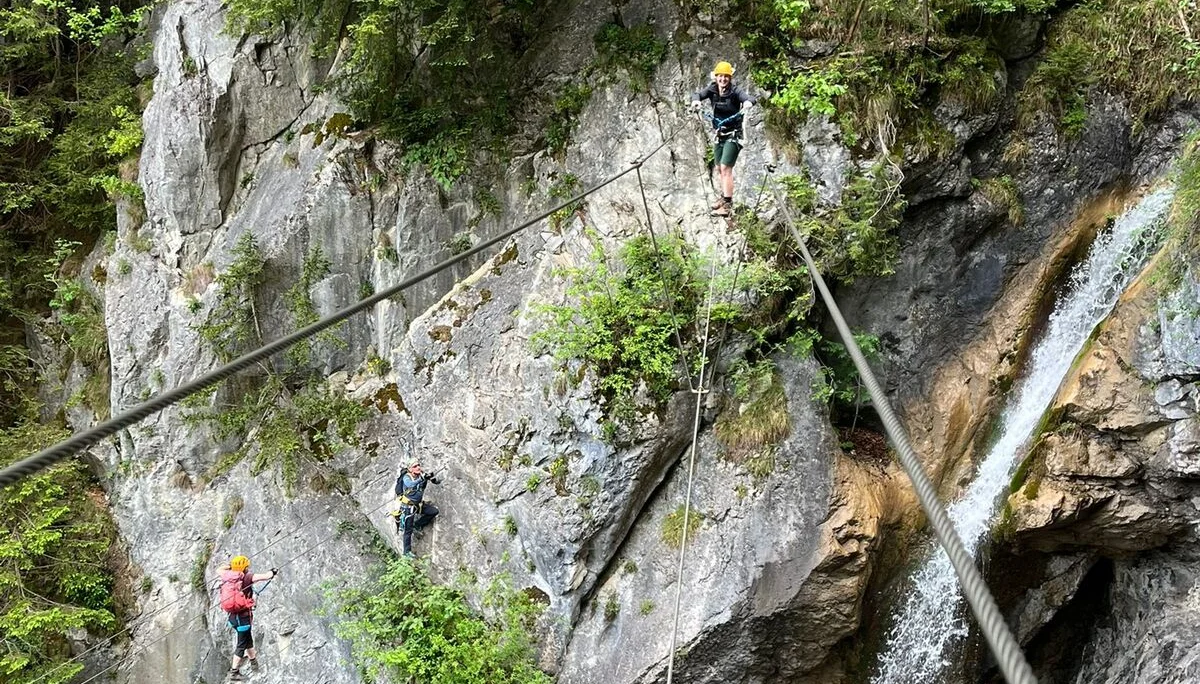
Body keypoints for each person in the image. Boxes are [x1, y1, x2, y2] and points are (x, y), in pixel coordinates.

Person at [690, 61, 757, 217]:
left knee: (726, 168)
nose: (723, 79)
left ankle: (727, 206)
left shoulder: (735, 91)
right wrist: (696, 101)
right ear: (716, 77)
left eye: (726, 76)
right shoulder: (713, 89)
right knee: (719, 167)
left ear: (730, 78)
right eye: (720, 76)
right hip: (720, 133)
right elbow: (697, 94)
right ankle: (724, 197)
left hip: (734, 134)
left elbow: (749, 98)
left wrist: (747, 103)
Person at [220, 555, 277, 681]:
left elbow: (219, 569)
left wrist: (230, 567)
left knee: (248, 639)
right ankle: (234, 672)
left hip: (233, 617)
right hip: (243, 618)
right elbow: (266, 576)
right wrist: (272, 572)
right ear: (245, 567)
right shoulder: (247, 577)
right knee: (241, 645)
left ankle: (253, 661)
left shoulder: (228, 577)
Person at [391, 458, 441, 557]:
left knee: (433, 511)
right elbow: (410, 484)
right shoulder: (407, 477)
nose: (418, 467)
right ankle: (406, 552)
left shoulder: (421, 474)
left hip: (418, 505)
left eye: (418, 465)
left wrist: (431, 478)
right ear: (410, 469)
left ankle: (417, 524)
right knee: (407, 531)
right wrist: (422, 478)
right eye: (415, 466)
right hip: (408, 507)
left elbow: (435, 481)